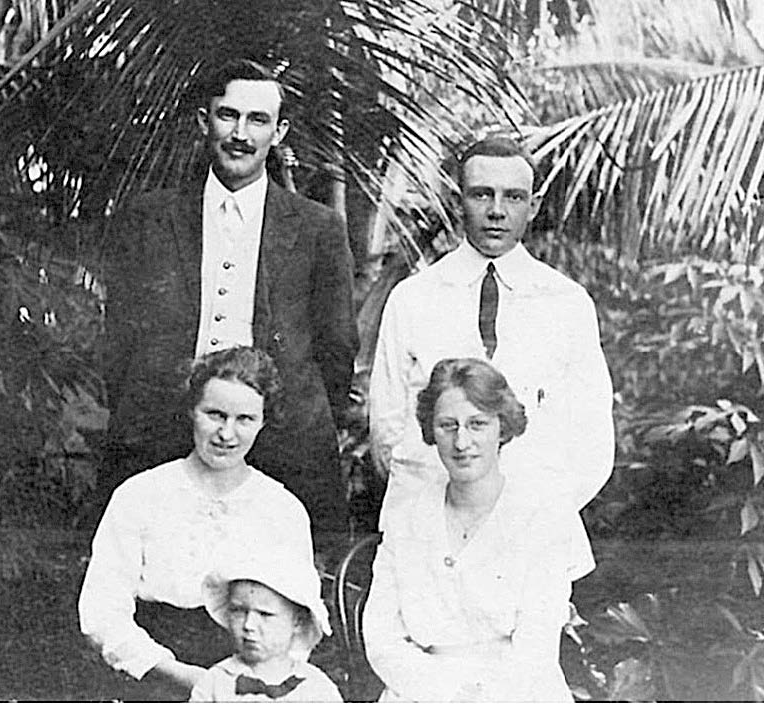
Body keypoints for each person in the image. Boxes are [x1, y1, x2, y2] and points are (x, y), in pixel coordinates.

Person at [101, 59, 358, 531]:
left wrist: (295, 416)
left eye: (258, 120)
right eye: (228, 115)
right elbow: (118, 343)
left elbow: (336, 347)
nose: (241, 133)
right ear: (205, 121)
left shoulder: (318, 228)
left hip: (283, 445)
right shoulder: (148, 219)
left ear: (279, 132)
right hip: (161, 435)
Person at [369, 136, 614, 540]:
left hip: (533, 532)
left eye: (514, 197)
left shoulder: (567, 304)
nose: (497, 211)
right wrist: (433, 507)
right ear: (458, 199)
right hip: (427, 528)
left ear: (533, 206)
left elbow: (592, 442)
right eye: (482, 194)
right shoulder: (413, 298)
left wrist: (536, 515)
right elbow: (387, 430)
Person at [79, 346, 316, 701]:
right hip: (151, 677)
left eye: (244, 419)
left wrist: (255, 686)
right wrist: (185, 677)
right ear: (192, 410)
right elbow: (102, 613)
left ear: (264, 421)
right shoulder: (141, 494)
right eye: (215, 414)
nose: (226, 433)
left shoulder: (282, 509)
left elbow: (299, 624)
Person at [363, 358, 592, 702]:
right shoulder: (408, 517)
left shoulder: (540, 518)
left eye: (477, 424)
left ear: (502, 427)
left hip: (518, 691)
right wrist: (444, 692)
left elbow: (536, 647)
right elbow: (381, 636)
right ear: (430, 431)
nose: (461, 442)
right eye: (447, 426)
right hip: (421, 691)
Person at [190, 547, 342, 702]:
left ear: (298, 621)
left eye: (265, 614)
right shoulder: (215, 682)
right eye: (239, 611)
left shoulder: (317, 688)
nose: (248, 625)